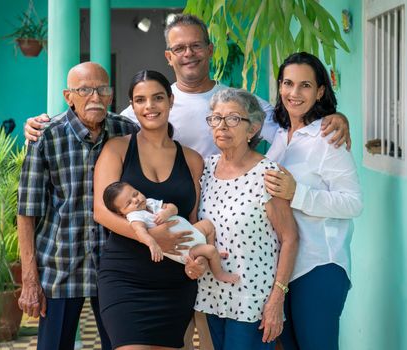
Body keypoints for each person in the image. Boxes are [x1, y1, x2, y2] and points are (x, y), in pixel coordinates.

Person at [22, 14, 351, 349]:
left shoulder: (236, 100)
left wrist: (333, 118)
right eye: (179, 48)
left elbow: (291, 124)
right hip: (164, 255)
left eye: (196, 46)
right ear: (168, 56)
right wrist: (41, 124)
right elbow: (91, 117)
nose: (188, 53)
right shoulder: (128, 124)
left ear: (209, 50)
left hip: (217, 257)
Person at [16, 62, 140, 350]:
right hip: (60, 267)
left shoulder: (128, 132)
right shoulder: (45, 136)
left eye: (102, 89)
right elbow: (27, 212)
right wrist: (30, 280)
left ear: (111, 95)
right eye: (84, 90)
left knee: (121, 345)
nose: (95, 97)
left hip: (114, 266)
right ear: (68, 95)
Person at [93, 69, 205, 349]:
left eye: (157, 98)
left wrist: (198, 260)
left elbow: (193, 222)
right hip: (126, 278)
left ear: (170, 100)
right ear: (132, 105)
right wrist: (153, 238)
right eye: (140, 100)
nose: (149, 106)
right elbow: (101, 212)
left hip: (177, 282)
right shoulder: (116, 149)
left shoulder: (192, 159)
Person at [263, 52, 363, 350]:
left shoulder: (328, 138)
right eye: (288, 83)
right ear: (279, 87)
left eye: (305, 85)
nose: (294, 93)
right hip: (284, 267)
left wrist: (297, 193)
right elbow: (231, 103)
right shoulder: (279, 135)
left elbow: (353, 203)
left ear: (320, 91)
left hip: (319, 266)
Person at [194, 87, 299, 350]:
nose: (222, 126)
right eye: (216, 118)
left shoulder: (269, 174)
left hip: (253, 298)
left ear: (252, 129)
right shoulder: (206, 169)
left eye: (233, 119)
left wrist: (277, 297)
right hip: (213, 292)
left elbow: (289, 238)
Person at [103, 181, 240, 283]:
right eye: (129, 203)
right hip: (185, 248)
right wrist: (152, 244)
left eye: (135, 194)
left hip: (191, 232)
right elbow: (141, 233)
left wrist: (167, 212)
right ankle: (219, 273)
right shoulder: (135, 217)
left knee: (207, 225)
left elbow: (173, 208)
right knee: (210, 250)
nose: (136, 200)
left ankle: (212, 256)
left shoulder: (150, 203)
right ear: (122, 214)